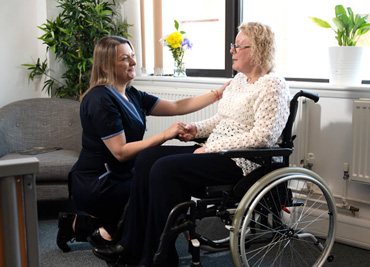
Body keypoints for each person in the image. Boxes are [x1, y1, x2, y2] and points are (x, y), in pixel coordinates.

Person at [93, 22, 291, 267]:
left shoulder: (273, 85)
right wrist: (196, 129)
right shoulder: (240, 81)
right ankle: (131, 244)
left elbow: (264, 137)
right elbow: (222, 119)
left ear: (258, 49)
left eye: (238, 46)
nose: (232, 50)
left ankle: (160, 258)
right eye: (233, 45)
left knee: (165, 169)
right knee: (147, 158)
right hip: (216, 151)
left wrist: (213, 147)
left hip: (243, 162)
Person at [56, 35, 230, 253]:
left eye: (133, 56)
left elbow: (176, 105)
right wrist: (165, 135)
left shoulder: (131, 93)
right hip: (98, 181)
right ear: (105, 65)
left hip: (123, 174)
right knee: (152, 192)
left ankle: (108, 231)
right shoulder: (100, 99)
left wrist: (217, 94)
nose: (133, 63)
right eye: (124, 59)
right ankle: (85, 226)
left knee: (154, 187)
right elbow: (119, 152)